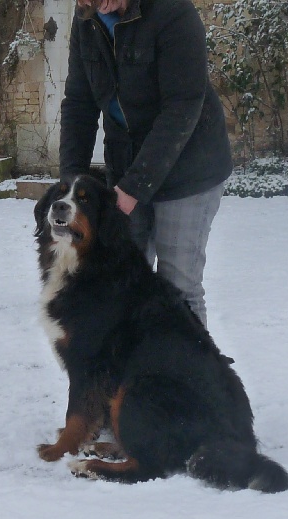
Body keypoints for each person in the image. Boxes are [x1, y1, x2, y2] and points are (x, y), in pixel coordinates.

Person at [59, 0, 233, 328]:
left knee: (177, 287)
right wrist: (71, 186)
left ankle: (190, 378)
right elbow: (79, 104)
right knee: (120, 283)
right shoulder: (87, 20)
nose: (95, 4)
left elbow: (182, 106)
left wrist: (133, 188)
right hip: (125, 164)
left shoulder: (173, 12)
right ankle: (131, 376)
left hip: (189, 169)